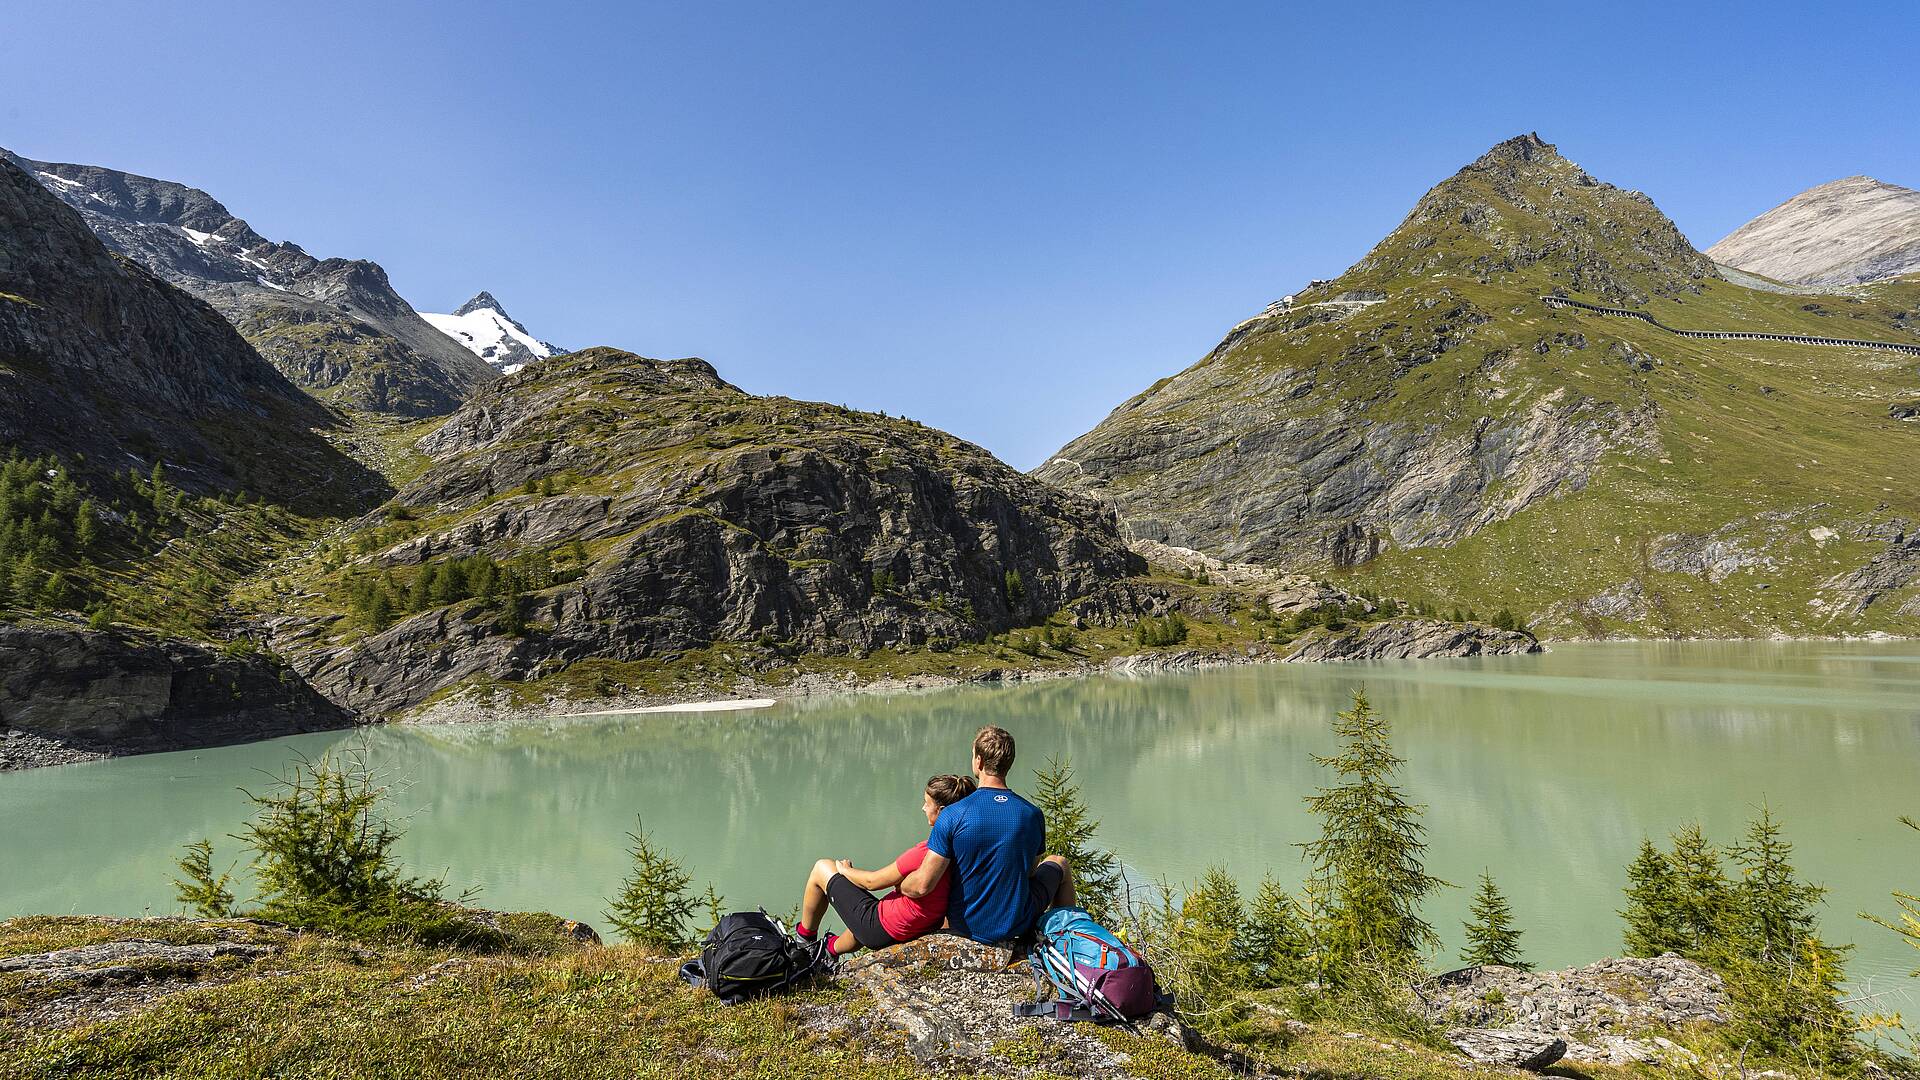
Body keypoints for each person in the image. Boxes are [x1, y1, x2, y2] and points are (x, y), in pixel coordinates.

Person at [899, 725, 1075, 944]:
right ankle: (1065, 939)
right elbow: (1029, 873)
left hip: (965, 925)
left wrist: (902, 885)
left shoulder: (953, 814)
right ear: (1008, 764)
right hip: (1017, 924)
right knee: (1059, 863)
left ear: (979, 761)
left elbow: (922, 885)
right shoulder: (1031, 814)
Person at [793, 773, 978, 959]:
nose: (923, 808)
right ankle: (829, 950)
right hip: (917, 926)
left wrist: (845, 870)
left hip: (884, 928)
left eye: (927, 803)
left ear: (942, 811)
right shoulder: (964, 850)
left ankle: (804, 940)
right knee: (862, 910)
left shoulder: (927, 854)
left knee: (821, 868)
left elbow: (872, 882)